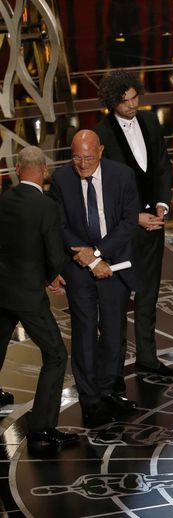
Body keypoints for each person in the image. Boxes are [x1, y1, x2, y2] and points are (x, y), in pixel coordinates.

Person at [94, 69, 173, 381]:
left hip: (153, 228)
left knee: (148, 296)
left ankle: (148, 357)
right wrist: (134, 218)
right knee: (116, 305)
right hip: (121, 234)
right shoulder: (100, 135)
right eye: (125, 101)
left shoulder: (149, 122)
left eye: (135, 98)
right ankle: (113, 371)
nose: (132, 105)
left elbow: (161, 166)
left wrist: (161, 204)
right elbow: (99, 192)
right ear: (111, 103)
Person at [49, 130, 139, 426]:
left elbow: (128, 222)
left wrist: (98, 254)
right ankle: (90, 402)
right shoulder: (62, 180)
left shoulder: (122, 176)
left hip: (113, 264)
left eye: (88, 156)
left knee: (114, 334)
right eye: (77, 157)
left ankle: (109, 391)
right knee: (85, 335)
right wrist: (87, 259)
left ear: (100, 151)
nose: (82, 163)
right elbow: (59, 225)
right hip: (78, 269)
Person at [0, 146, 78, 445]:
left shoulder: (5, 198)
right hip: (29, 295)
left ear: (19, 169)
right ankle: (43, 429)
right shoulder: (46, 206)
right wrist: (52, 276)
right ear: (44, 171)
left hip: (2, 290)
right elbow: (54, 253)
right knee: (56, 355)